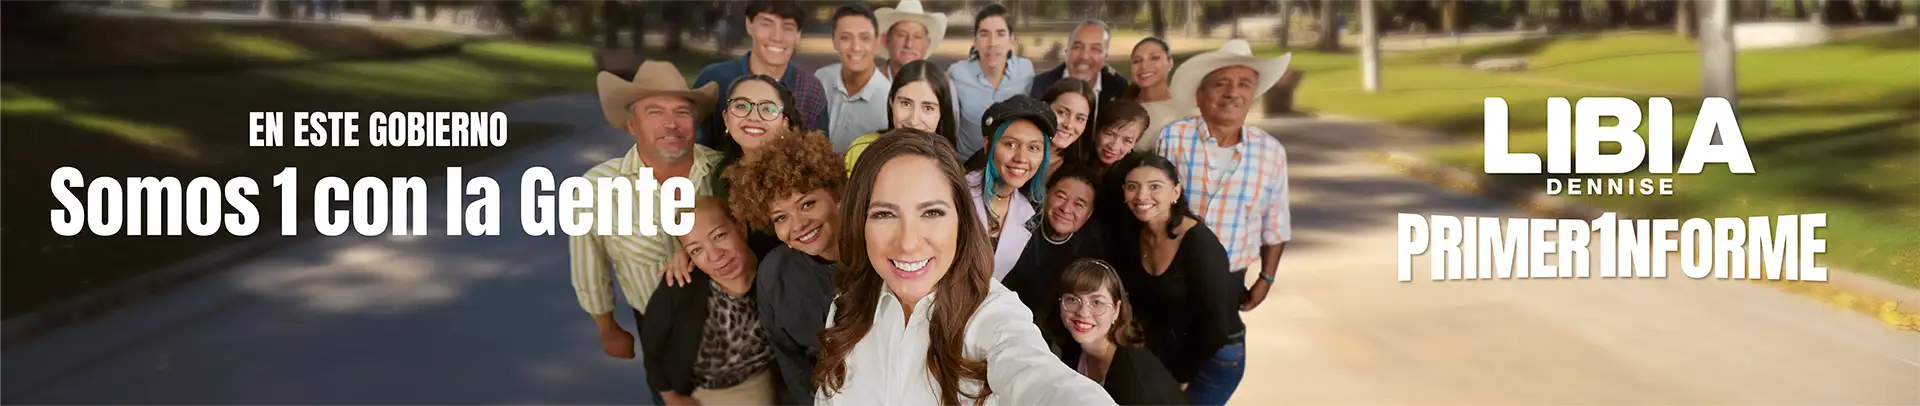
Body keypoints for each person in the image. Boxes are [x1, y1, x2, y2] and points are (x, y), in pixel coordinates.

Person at [811, 129, 1116, 405]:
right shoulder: (847, 304)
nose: (908, 243)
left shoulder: (993, 315)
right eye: (883, 215)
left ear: (961, 221)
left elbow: (1042, 380)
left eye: (931, 212)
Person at [577, 60, 728, 406]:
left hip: (736, 328)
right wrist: (607, 327)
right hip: (661, 336)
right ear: (632, 124)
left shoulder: (724, 170)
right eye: (655, 112)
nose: (671, 124)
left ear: (695, 121)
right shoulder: (597, 186)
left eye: (682, 112)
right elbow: (589, 262)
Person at [1158, 39, 1293, 315]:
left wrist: (1266, 278)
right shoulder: (1173, 137)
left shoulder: (1270, 151)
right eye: (1221, 83)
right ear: (1200, 95)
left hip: (1231, 283)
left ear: (1253, 95)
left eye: (1244, 84)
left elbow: (1276, 223)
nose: (1233, 93)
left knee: (1224, 354)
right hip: (1168, 276)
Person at [722, 132, 848, 406]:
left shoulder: (881, 255)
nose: (798, 224)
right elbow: (789, 358)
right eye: (781, 217)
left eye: (807, 204)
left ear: (836, 196)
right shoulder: (773, 275)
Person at [1110, 154, 1245, 406]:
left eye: (1155, 186)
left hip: (1213, 355)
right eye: (1132, 186)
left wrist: (1182, 374)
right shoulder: (1135, 231)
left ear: (1175, 192)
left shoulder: (1199, 244)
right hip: (1170, 346)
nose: (1142, 195)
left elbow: (1215, 326)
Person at [644, 197, 778, 406]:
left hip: (759, 380)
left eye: (720, 236)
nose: (715, 256)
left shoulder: (777, 261)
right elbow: (652, 350)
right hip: (698, 392)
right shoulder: (680, 286)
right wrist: (671, 397)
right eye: (697, 250)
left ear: (740, 227)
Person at [1052, 259, 1190, 406]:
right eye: (1073, 299)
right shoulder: (1070, 342)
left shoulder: (1133, 385)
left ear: (1116, 310)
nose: (1083, 313)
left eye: (1097, 302)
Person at [693, 0, 829, 146]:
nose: (777, 37)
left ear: (798, 35)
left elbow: (818, 157)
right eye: (766, 23)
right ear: (749, 25)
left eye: (788, 27)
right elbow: (693, 147)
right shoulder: (715, 79)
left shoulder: (810, 89)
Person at [712, 75, 802, 258]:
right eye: (741, 106)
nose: (753, 116)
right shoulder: (722, 175)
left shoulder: (805, 171)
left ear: (785, 123)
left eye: (768, 109)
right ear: (726, 119)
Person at [965, 95, 1053, 281]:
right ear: (988, 145)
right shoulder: (955, 193)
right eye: (1011, 144)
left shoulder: (1030, 214)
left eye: (1034, 148)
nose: (1021, 158)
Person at [1003, 165, 1105, 316]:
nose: (1066, 209)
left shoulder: (1093, 246)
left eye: (1079, 205)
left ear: (1089, 214)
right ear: (1046, 194)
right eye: (1061, 197)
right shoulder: (1020, 222)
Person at [950, 4, 1036, 161]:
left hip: (1009, 163)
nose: (992, 43)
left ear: (1011, 41)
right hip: (966, 164)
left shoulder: (1025, 70)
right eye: (984, 34)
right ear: (975, 42)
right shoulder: (957, 73)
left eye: (1000, 34)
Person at [842, 60, 958, 173]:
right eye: (905, 104)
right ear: (891, 101)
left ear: (941, 112)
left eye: (928, 108)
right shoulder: (861, 151)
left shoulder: (951, 167)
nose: (913, 121)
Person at [816, 4, 892, 151]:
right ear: (834, 41)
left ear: (877, 42)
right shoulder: (820, 80)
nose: (856, 47)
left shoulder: (888, 100)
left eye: (865, 38)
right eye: (845, 38)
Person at [1030, 20, 1129, 107]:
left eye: (1095, 49)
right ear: (1067, 51)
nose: (1084, 56)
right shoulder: (1042, 85)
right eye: (1077, 47)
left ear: (1105, 57)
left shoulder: (1118, 87)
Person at [1123, 37, 1194, 153]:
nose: (1144, 66)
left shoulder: (1186, 109)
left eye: (1154, 58)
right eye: (1137, 61)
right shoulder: (1124, 105)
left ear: (1170, 63)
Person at [1038, 78, 1099, 176]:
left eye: (1079, 119)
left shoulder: (1077, 171)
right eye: (1062, 113)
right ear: (1044, 107)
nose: (1069, 125)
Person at [875, 0, 947, 79]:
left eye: (917, 37)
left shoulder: (939, 84)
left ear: (927, 44)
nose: (909, 44)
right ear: (885, 40)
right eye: (901, 35)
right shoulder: (868, 83)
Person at [1091, 100, 1151, 169]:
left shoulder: (1136, 169)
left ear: (1135, 143)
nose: (1114, 147)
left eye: (1127, 141)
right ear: (1097, 130)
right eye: (1109, 134)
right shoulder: (1079, 152)